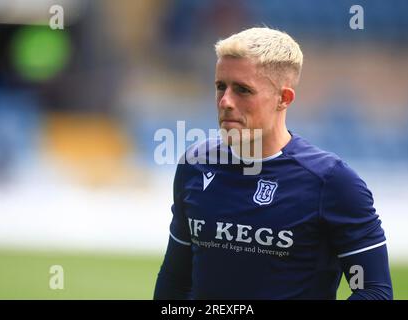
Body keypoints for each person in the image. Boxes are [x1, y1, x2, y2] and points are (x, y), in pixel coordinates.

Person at [153, 27, 393, 300]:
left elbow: (374, 291)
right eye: (221, 86)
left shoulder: (331, 182)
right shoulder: (195, 165)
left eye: (242, 90)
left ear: (284, 98)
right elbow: (175, 279)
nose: (225, 101)